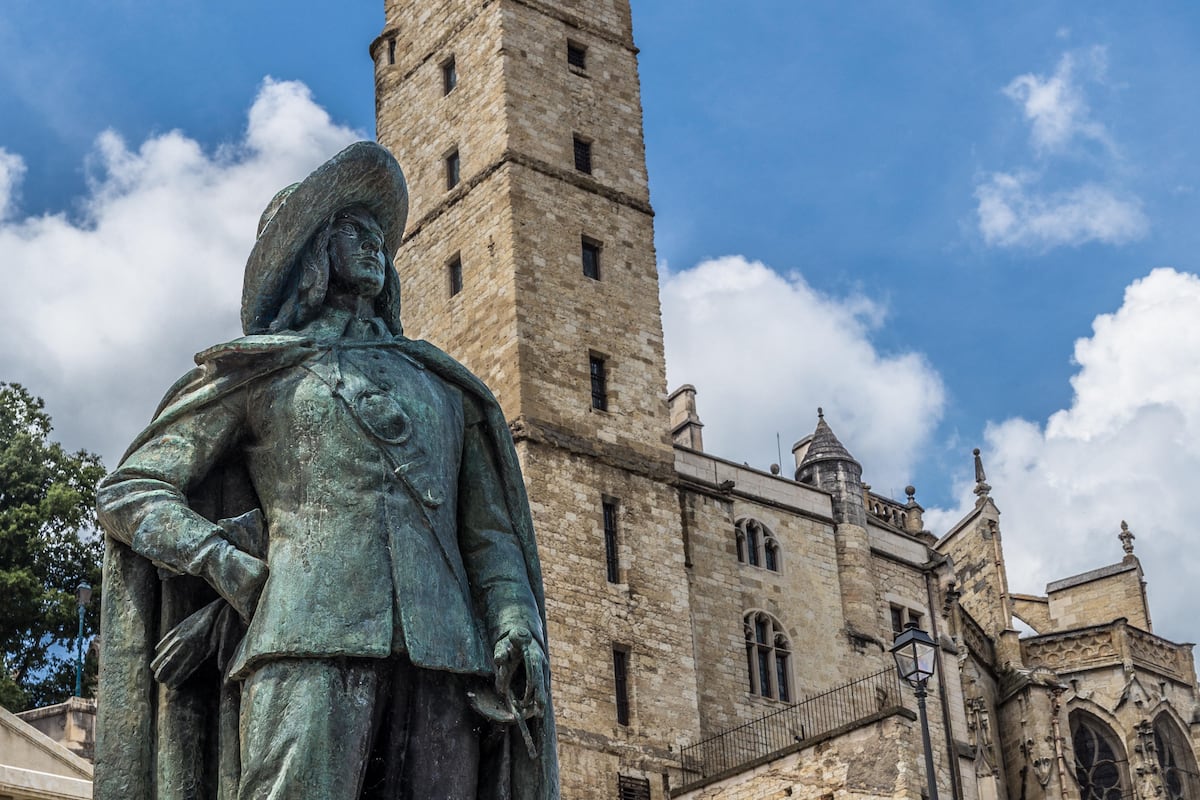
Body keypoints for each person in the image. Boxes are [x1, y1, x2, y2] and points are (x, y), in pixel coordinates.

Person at [95, 141, 558, 800]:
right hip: (302, 640)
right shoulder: (262, 373)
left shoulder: (447, 390)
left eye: (379, 234)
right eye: (354, 230)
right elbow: (130, 490)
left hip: (448, 654)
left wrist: (515, 622)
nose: (375, 244)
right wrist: (215, 558)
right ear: (314, 248)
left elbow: (490, 534)